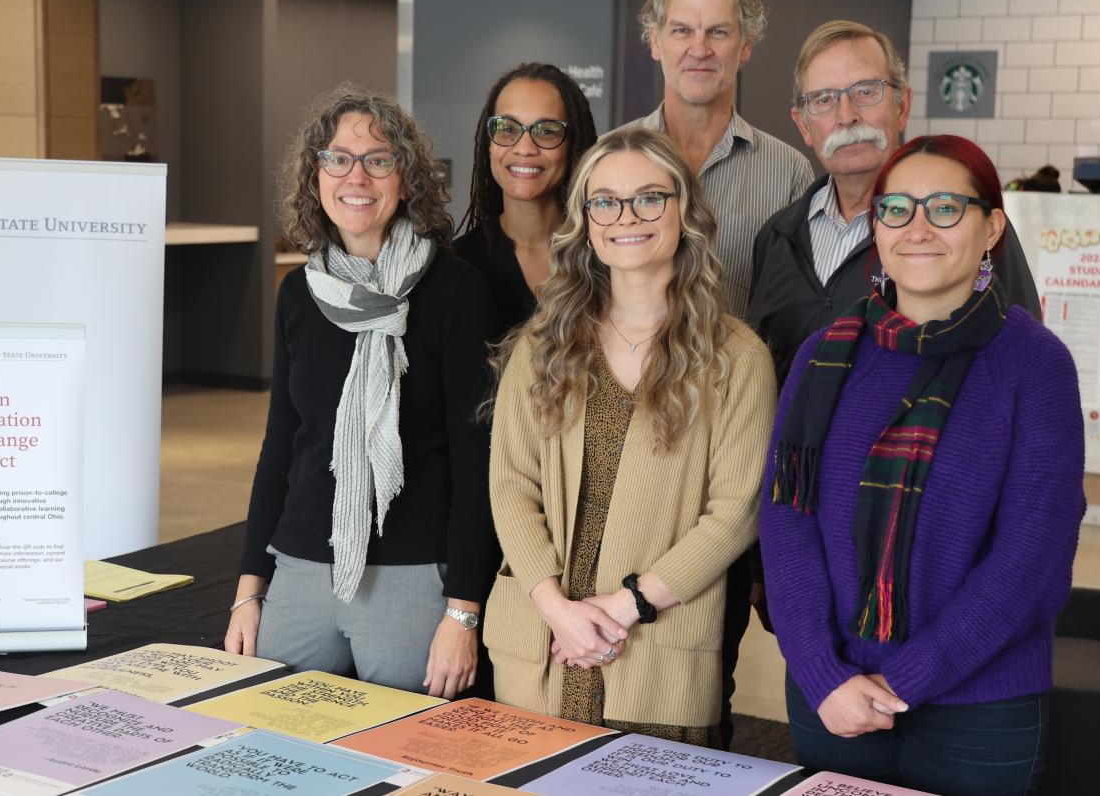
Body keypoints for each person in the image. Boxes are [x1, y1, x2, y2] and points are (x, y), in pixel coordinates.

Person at [758, 135, 1085, 795]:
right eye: (898, 209)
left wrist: (902, 681)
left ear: (991, 226)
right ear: (875, 228)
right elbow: (786, 520)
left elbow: (1034, 556)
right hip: (833, 701)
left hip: (979, 707)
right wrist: (823, 673)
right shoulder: (824, 356)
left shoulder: (1034, 364)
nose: (917, 229)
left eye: (945, 209)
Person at [485, 126, 776, 746]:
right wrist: (558, 609)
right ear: (585, 219)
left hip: (653, 648)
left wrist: (622, 610)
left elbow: (736, 513)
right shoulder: (542, 345)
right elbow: (511, 488)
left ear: (684, 210)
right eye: (606, 201)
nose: (627, 217)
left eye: (649, 197)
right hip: (543, 644)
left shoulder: (736, 356)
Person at [225, 85, 499, 700]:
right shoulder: (299, 293)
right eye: (338, 159)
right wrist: (250, 591)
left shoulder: (455, 290)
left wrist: (463, 612)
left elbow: (476, 462)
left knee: (411, 748)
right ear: (315, 174)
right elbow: (280, 449)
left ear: (406, 178)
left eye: (379, 160)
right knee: (279, 740)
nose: (357, 176)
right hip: (301, 563)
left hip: (409, 570)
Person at [619, 0, 814, 742]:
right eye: (683, 29)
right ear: (654, 42)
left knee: (702, 674)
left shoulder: (788, 174)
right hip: (622, 448)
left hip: (728, 464)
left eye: (719, 31)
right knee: (609, 654)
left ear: (745, 46)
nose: (700, 46)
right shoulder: (613, 160)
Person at [747, 20, 1041, 388]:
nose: (846, 115)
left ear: (902, 106)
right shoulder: (776, 238)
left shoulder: (960, 227)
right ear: (804, 125)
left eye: (866, 91)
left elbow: (1022, 360)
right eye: (823, 99)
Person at [455, 63, 599, 342]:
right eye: (507, 128)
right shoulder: (460, 265)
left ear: (573, 144)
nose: (524, 148)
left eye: (546, 131)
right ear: (489, 143)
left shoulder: (605, 255)